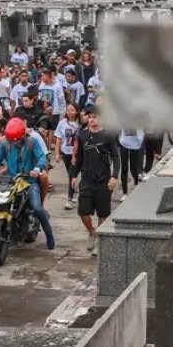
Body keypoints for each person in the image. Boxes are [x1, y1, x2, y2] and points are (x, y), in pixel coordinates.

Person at [0, 118, 55, 250]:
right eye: (12, 139)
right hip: (11, 181)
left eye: (17, 139)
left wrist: (37, 169)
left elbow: (42, 157)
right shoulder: (5, 144)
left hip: (28, 182)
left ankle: (49, 235)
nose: (15, 142)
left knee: (37, 208)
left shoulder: (32, 142)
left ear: (23, 134)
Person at [71, 105, 120, 255]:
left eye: (94, 117)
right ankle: (92, 232)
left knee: (103, 214)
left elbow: (116, 156)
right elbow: (78, 158)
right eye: (89, 117)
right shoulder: (83, 136)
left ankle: (100, 240)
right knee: (83, 211)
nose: (91, 119)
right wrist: (74, 175)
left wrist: (114, 176)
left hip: (103, 180)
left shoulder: (108, 135)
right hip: (86, 179)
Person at [53, 103, 81, 210]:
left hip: (77, 154)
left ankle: (69, 198)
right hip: (66, 152)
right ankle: (75, 190)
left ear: (77, 112)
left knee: (71, 175)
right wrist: (57, 153)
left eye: (72, 110)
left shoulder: (80, 123)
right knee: (71, 174)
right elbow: (59, 139)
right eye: (68, 110)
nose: (69, 112)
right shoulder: (62, 123)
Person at [118, 128, 144, 197]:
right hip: (123, 144)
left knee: (133, 168)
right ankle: (125, 193)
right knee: (124, 168)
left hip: (135, 145)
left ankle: (136, 182)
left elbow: (141, 131)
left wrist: (139, 141)